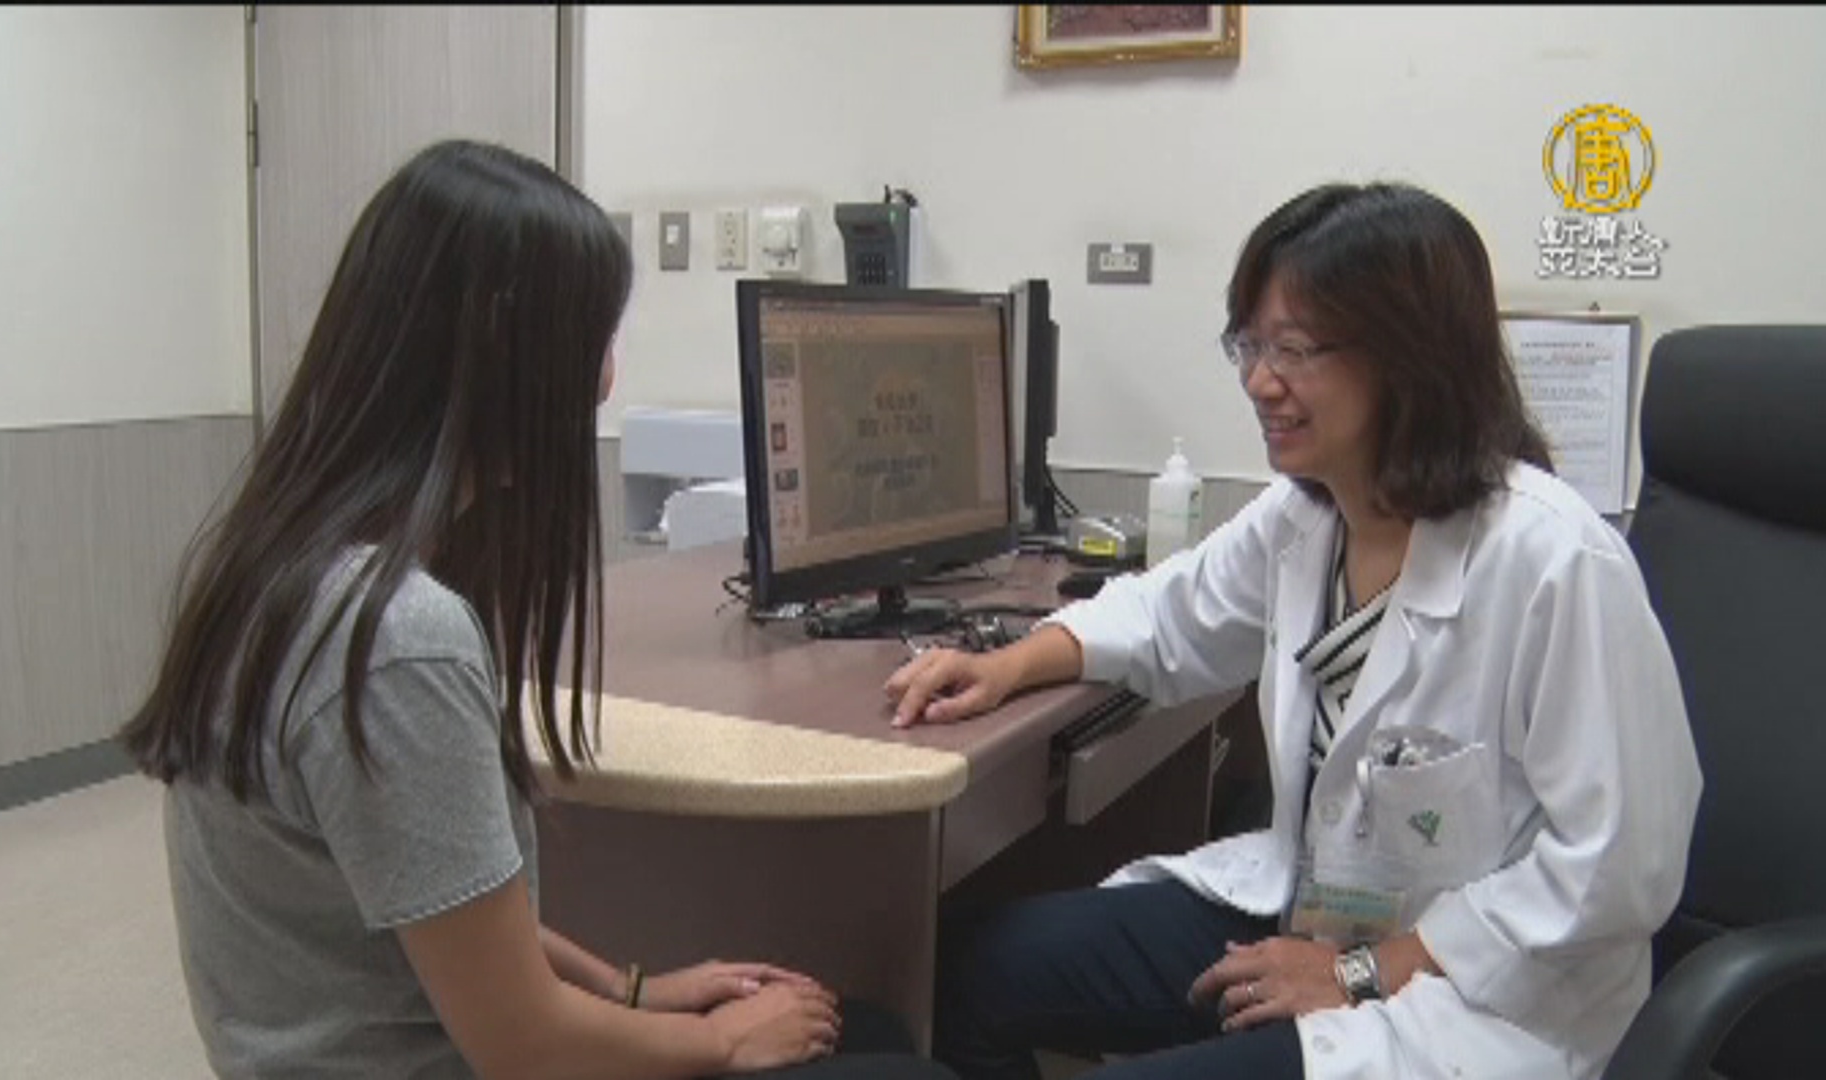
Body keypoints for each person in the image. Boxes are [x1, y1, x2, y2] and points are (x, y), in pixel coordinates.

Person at [121, 139, 952, 1080]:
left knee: (865, 1032)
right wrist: (723, 1041)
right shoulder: (396, 640)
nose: (605, 380)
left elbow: (438, 899)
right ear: (504, 348)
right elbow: (524, 1047)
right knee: (899, 1065)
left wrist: (632, 989)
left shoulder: (277, 566)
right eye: (596, 340)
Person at [885, 182, 1702, 1080]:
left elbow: (1619, 868)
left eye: (1296, 350)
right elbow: (1168, 614)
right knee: (967, 970)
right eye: (1250, 344)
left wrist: (1363, 971)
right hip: (1316, 912)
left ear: (1412, 358)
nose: (1259, 381)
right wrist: (1009, 665)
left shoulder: (1553, 559)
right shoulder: (1308, 516)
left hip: (1482, 996)